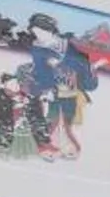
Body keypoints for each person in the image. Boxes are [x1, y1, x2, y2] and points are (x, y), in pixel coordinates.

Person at [18, 12, 96, 160]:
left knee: (68, 120)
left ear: (50, 31)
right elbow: (41, 70)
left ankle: (70, 147)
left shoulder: (66, 45)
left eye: (41, 32)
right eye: (35, 32)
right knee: (52, 117)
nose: (39, 36)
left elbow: (81, 62)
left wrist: (61, 63)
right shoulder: (38, 48)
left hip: (69, 89)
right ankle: (46, 147)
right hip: (51, 90)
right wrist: (44, 87)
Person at [0, 70, 37, 161]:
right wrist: (14, 102)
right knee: (1, 131)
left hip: (13, 116)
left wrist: (23, 101)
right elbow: (0, 104)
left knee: (10, 133)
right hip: (2, 115)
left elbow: (25, 98)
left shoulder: (18, 91)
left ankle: (7, 148)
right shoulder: (0, 92)